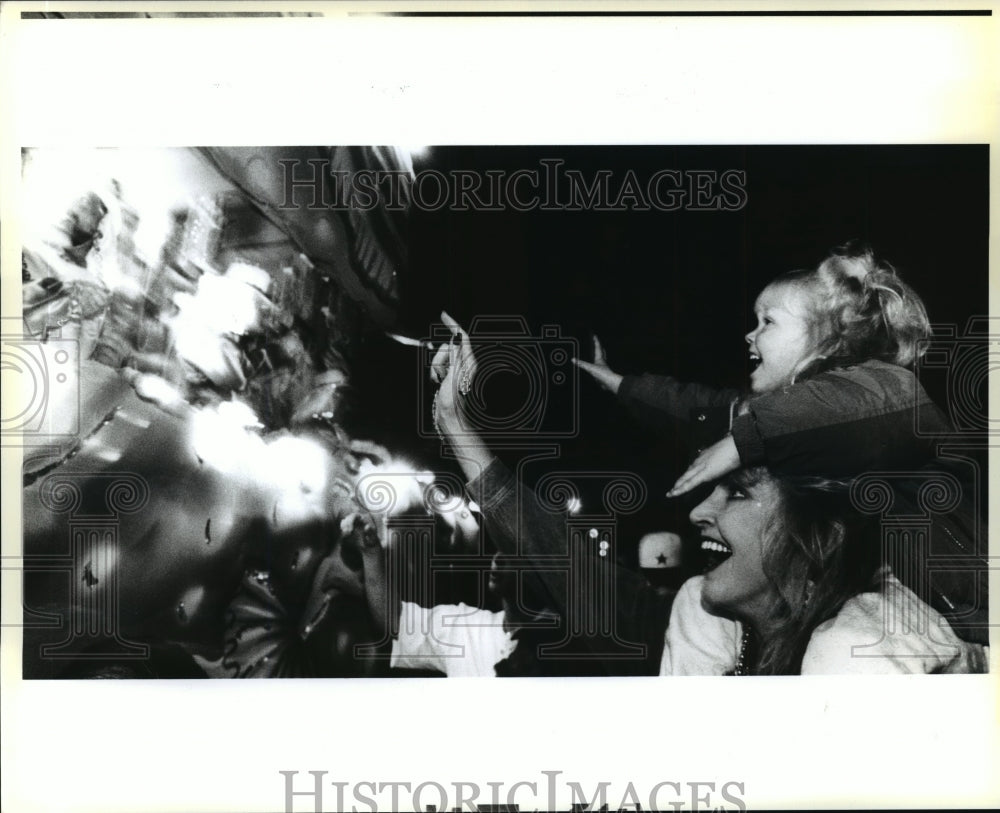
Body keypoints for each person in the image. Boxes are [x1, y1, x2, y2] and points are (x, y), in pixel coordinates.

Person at [427, 325, 987, 674]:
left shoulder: (871, 655)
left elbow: (903, 406)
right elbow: (561, 561)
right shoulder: (697, 629)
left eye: (737, 493)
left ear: (821, 536)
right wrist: (455, 423)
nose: (698, 511)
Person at [573, 244, 987, 644]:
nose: (749, 336)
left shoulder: (887, 388)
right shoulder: (781, 414)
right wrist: (623, 386)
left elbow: (839, 408)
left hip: (970, 608)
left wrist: (744, 441)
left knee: (845, 643)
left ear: (831, 337)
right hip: (910, 599)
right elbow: (701, 409)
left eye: (767, 322)